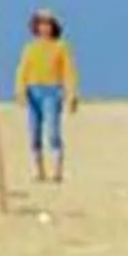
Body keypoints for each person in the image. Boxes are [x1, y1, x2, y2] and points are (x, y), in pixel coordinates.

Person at [15, 10, 80, 184]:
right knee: (34, 133)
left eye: (48, 24)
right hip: (33, 91)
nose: (45, 28)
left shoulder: (61, 46)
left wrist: (71, 94)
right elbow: (22, 70)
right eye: (41, 24)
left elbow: (69, 71)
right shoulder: (30, 48)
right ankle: (39, 171)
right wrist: (20, 91)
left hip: (52, 91)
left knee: (52, 132)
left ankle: (57, 171)